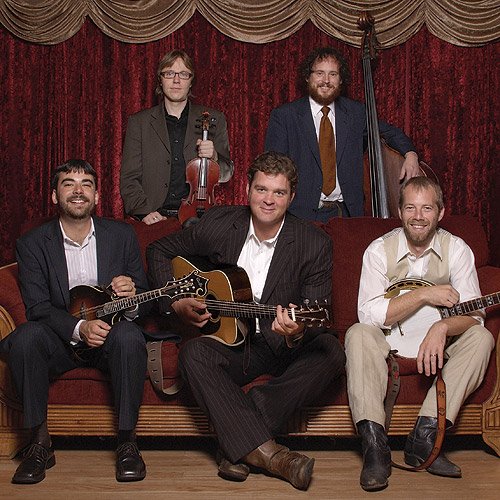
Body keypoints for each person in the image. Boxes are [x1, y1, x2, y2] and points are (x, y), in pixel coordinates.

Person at [146, 151, 345, 490]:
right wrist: (175, 301)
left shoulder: (313, 243)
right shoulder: (220, 224)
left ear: (291, 197)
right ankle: (274, 457)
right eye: (261, 189)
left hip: (280, 343)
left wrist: (295, 331)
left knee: (332, 351)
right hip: (231, 342)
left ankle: (235, 438)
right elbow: (158, 250)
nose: (268, 200)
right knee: (193, 354)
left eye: (279, 192)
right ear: (248, 189)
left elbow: (317, 313)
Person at [0, 160, 150, 484]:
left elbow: (146, 296)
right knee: (26, 337)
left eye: (86, 184)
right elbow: (38, 307)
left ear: (97, 196)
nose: (78, 191)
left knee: (129, 336)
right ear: (55, 195)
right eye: (68, 184)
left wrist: (133, 293)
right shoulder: (32, 243)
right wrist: (80, 329)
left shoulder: (122, 235)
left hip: (110, 337)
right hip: (61, 341)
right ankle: (39, 444)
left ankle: (127, 442)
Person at [344, 176, 494, 491]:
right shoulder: (378, 250)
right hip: (386, 342)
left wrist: (442, 327)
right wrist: (425, 295)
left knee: (482, 338)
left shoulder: (457, 249)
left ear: (440, 212)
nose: (418, 216)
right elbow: (368, 315)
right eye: (410, 207)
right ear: (399, 211)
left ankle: (424, 439)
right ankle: (375, 449)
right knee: (357, 334)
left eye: (427, 208)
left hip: (442, 342)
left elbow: (474, 316)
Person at [265, 46, 421, 222]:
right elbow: (273, 168)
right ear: (308, 77)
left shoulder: (355, 113)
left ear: (340, 80)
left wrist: (411, 154)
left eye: (333, 74)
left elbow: (390, 132)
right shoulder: (285, 116)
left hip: (346, 215)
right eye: (319, 73)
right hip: (299, 216)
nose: (326, 80)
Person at [120, 49, 234, 226]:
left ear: (191, 80)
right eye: (169, 73)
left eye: (183, 74)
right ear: (160, 79)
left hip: (198, 218)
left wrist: (214, 157)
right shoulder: (139, 122)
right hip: (154, 219)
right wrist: (144, 212)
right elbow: (129, 178)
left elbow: (227, 174)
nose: (176, 80)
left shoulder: (214, 119)